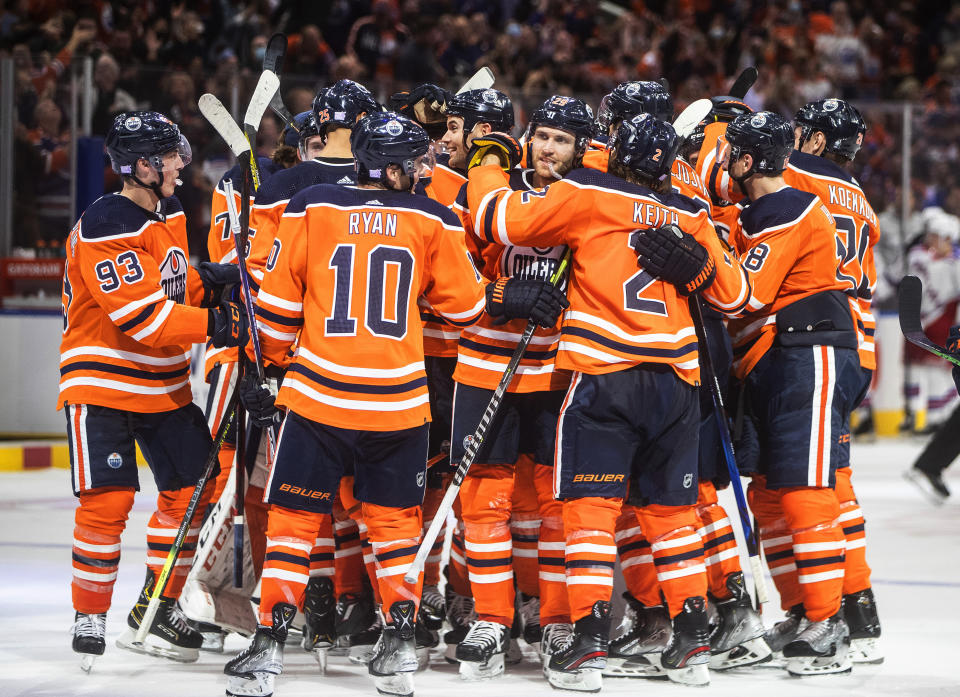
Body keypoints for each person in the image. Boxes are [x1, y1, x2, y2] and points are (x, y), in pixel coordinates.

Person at [466, 113, 752, 690]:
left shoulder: (587, 192)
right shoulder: (691, 213)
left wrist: (488, 164)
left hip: (605, 374)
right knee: (671, 516)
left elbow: (496, 220)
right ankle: (693, 639)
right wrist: (697, 269)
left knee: (590, 511)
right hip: (676, 382)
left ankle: (589, 642)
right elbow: (737, 295)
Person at [222, 112, 491, 697]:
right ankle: (397, 647)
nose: (424, 171)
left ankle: (268, 645)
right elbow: (469, 309)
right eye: (416, 162)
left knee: (294, 523)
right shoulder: (434, 217)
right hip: (399, 402)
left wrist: (264, 364)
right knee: (395, 527)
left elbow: (275, 312)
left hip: (318, 395)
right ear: (389, 168)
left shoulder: (311, 206)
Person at [586, 80, 768, 676]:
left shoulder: (607, 169)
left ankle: (698, 611)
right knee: (674, 491)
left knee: (669, 492)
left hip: (670, 338)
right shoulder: (690, 174)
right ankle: (693, 611)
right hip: (692, 333)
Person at [61, 111, 248, 669]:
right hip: (104, 382)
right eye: (168, 156)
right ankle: (90, 614)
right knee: (109, 501)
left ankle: (156, 607)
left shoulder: (166, 211)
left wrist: (208, 282)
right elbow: (143, 317)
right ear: (141, 166)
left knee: (194, 492)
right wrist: (217, 324)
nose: (179, 165)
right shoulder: (104, 226)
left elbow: (167, 283)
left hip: (163, 384)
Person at [701, 111, 862, 677]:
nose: (721, 164)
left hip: (808, 355)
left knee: (803, 487)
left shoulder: (789, 208)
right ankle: (800, 610)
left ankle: (829, 623)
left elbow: (743, 292)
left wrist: (702, 262)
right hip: (774, 359)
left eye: (728, 155)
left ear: (746, 161)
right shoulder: (761, 209)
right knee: (768, 493)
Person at [450, 95, 593, 680]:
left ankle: (556, 622)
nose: (549, 149)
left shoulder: (588, 199)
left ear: (580, 149)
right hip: (485, 365)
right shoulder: (487, 195)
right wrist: (502, 295)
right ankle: (492, 617)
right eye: (542, 137)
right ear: (526, 139)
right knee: (484, 498)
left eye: (562, 140)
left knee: (556, 503)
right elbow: (456, 269)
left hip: (558, 370)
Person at [786, 98, 883, 665]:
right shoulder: (864, 202)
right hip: (855, 347)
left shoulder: (796, 173)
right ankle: (859, 607)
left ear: (817, 141)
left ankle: (833, 618)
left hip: (819, 342)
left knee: (811, 483)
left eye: (800, 133)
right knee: (834, 478)